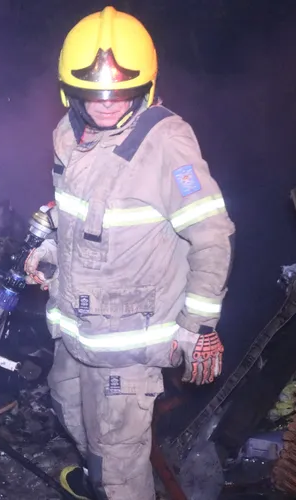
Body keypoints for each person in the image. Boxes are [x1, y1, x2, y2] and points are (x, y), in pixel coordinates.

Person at [23, 6, 236, 500]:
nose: (106, 104)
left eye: (120, 91)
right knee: (68, 407)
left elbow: (212, 233)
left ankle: (116, 485)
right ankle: (98, 476)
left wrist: (199, 328)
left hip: (128, 346)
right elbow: (82, 220)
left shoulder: (167, 145)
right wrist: (52, 249)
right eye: (93, 92)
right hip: (77, 330)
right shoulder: (68, 136)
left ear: (144, 85)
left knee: (119, 457)